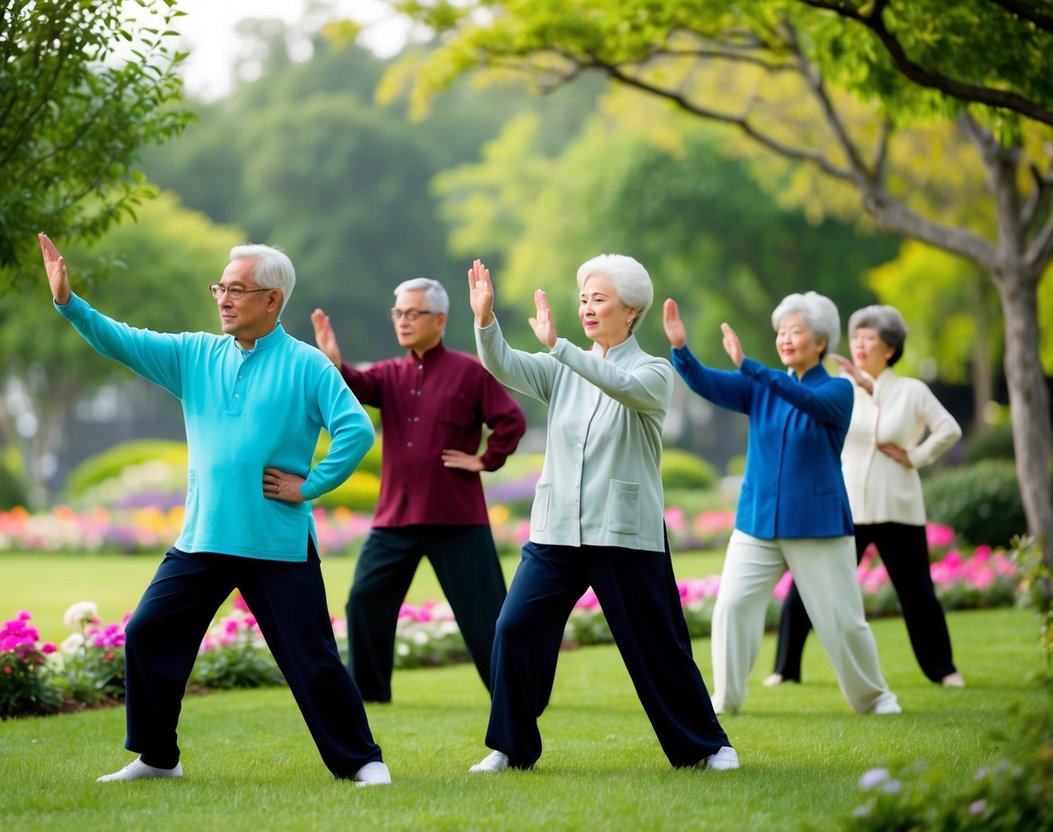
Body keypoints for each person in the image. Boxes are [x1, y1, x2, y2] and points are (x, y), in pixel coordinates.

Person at [37, 233, 391, 787]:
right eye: (220, 288)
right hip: (202, 540)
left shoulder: (308, 365)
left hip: (276, 542)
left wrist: (311, 484)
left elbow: (355, 429)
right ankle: (158, 758)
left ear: (272, 300)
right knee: (147, 634)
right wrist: (69, 303)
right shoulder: (194, 355)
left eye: (237, 289)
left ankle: (361, 761)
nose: (223, 298)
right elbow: (122, 341)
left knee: (312, 658)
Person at [465, 256, 737, 774]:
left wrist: (560, 348)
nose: (587, 308)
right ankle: (510, 747)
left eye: (599, 299)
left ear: (630, 309)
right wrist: (485, 320)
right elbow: (503, 363)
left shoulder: (654, 372)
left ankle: (707, 746)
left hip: (624, 532)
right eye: (584, 299)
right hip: (557, 530)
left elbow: (620, 385)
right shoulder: (560, 369)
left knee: (658, 644)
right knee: (515, 627)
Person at [663, 292, 900, 717]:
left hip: (817, 524)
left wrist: (750, 366)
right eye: (781, 333)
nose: (785, 339)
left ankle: (875, 697)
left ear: (822, 341)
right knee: (732, 606)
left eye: (796, 331)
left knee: (843, 621)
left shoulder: (839, 389)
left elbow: (804, 399)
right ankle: (726, 698)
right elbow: (708, 382)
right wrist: (682, 349)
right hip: (757, 522)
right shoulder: (760, 385)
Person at [310, 278, 526, 703]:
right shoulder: (391, 373)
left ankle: (515, 695)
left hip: (457, 517)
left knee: (487, 616)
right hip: (396, 517)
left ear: (440, 319)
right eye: (398, 313)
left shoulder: (470, 372)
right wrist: (335, 364)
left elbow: (511, 420)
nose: (403, 321)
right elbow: (357, 386)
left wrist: (485, 459)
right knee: (364, 601)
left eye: (413, 313)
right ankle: (369, 694)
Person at [766, 304, 964, 688]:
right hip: (846, 506)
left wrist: (916, 456)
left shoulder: (912, 391)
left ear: (889, 348)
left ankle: (943, 670)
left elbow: (949, 429)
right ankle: (785, 668)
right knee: (807, 583)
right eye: (855, 337)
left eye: (868, 338)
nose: (858, 344)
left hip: (897, 506)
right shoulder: (839, 387)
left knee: (918, 592)